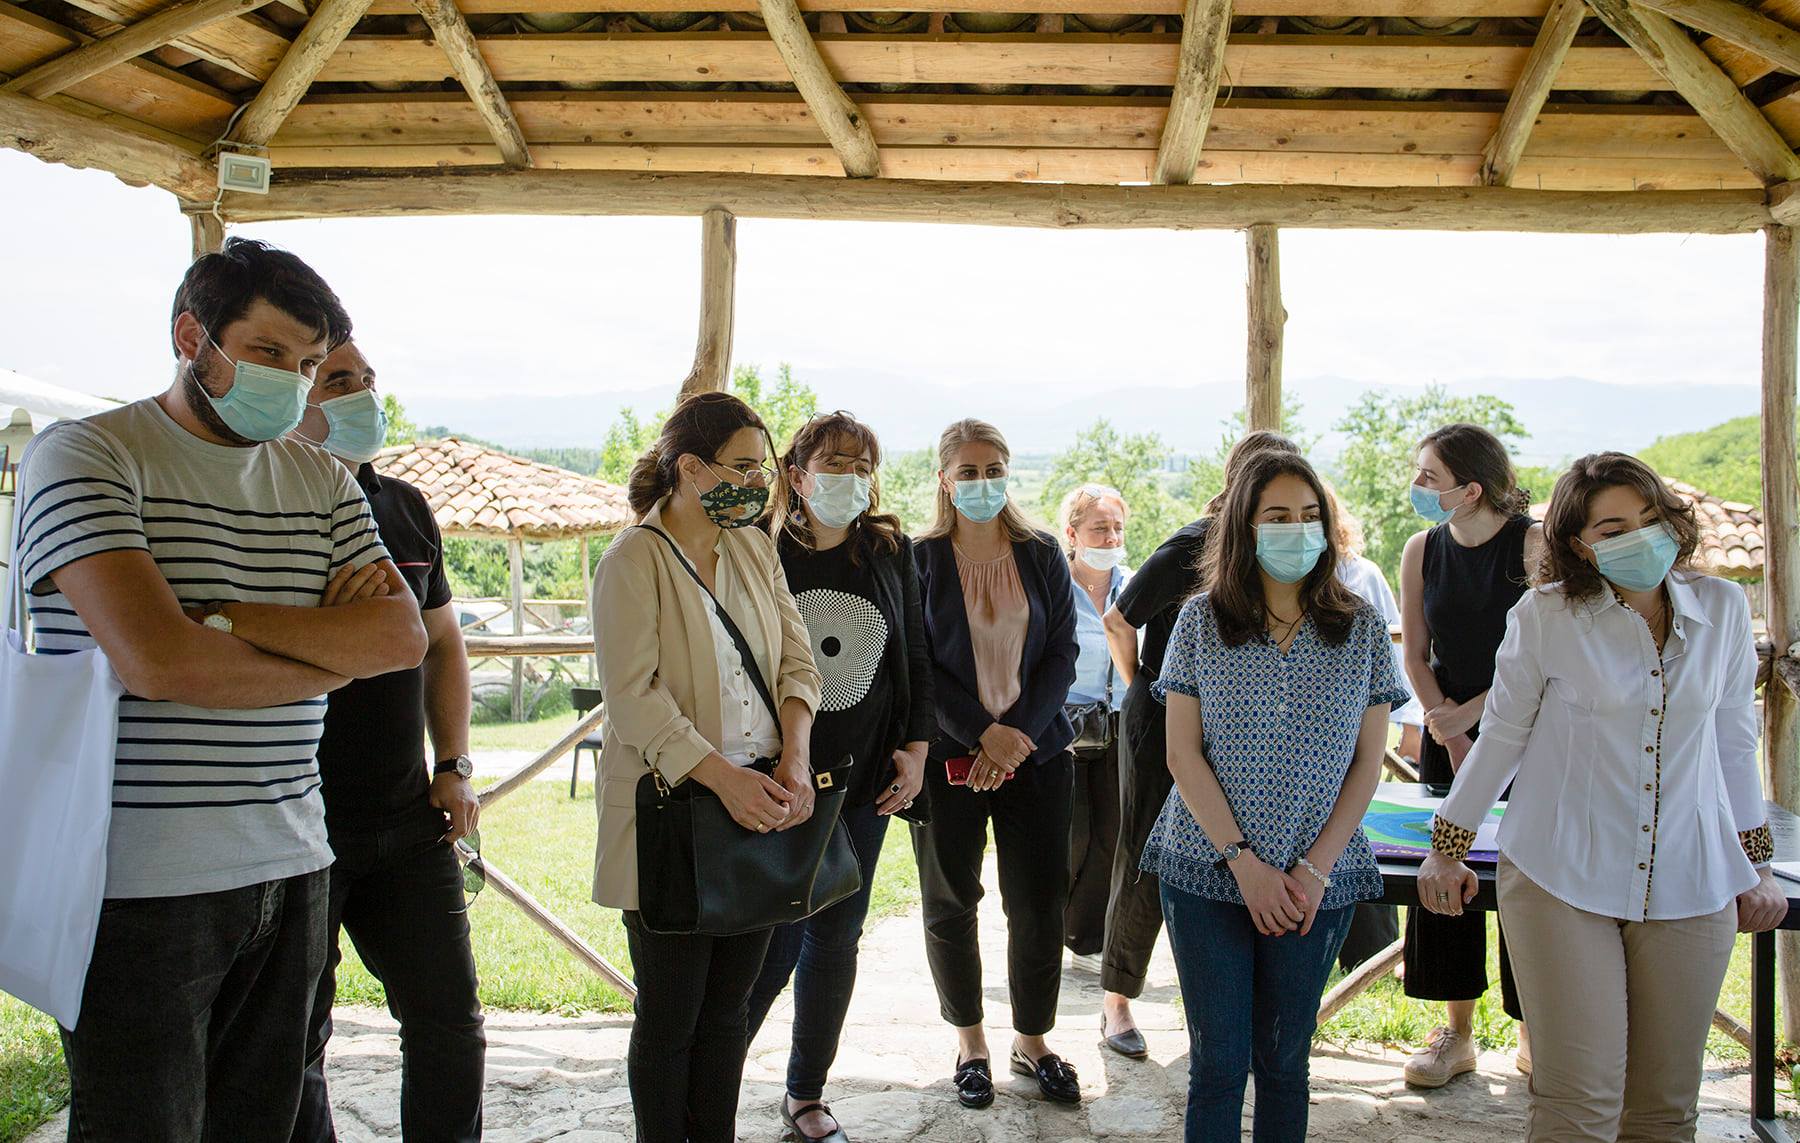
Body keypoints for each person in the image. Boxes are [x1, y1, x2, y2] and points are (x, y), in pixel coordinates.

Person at [13, 239, 428, 1140]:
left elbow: (400, 638)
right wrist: (328, 654)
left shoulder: (320, 477)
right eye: (267, 352)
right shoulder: (88, 455)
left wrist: (223, 616)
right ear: (190, 336)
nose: (291, 380)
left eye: (308, 364)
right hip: (136, 881)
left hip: (294, 860)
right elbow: (160, 662)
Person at [1419, 451, 1787, 1142]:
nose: (1639, 538)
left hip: (1691, 876)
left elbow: (1735, 741)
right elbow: (1502, 736)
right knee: (1579, 1103)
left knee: (1664, 1109)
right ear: (1579, 545)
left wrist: (1757, 865)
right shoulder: (1546, 615)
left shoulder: (1723, 608)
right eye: (1614, 529)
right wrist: (1448, 847)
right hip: (1561, 874)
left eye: (1650, 519)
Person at [1147, 449, 1407, 1143]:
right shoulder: (1200, 620)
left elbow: (1368, 762)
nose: (1297, 529)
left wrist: (1313, 869)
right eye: (1278, 516)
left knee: (1286, 1064)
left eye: (1309, 515)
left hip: (1316, 878)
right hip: (1206, 868)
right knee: (1218, 1065)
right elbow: (1181, 753)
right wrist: (1243, 863)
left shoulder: (1360, 626)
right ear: (1246, 526)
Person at [590, 391, 822, 1143]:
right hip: (678, 812)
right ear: (690, 469)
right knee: (670, 1016)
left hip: (759, 804)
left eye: (763, 470)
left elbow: (797, 662)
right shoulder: (633, 559)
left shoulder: (754, 548)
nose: (758, 484)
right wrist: (725, 779)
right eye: (742, 467)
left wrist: (795, 759)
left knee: (728, 1012)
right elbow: (634, 698)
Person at [288, 342, 487, 1143]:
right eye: (340, 381)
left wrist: (455, 763)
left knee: (450, 1021)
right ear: (296, 397)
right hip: (297, 824)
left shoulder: (403, 506)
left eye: (368, 381)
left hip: (408, 818)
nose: (364, 396)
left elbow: (441, 643)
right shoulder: (267, 503)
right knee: (295, 1037)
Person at [743, 411, 935, 1143]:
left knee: (836, 938)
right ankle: (708, 1076)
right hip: (778, 780)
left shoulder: (887, 550)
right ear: (796, 475)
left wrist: (916, 748)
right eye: (835, 463)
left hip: (864, 783)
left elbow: (915, 653)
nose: (851, 478)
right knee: (772, 942)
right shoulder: (759, 548)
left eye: (862, 466)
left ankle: (806, 1093)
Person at [1095, 430, 1300, 1057]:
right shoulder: (1193, 545)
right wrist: (1145, 684)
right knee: (1144, 852)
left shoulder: (1278, 552)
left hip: (1237, 724)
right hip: (1163, 716)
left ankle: (1223, 1006)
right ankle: (1117, 1002)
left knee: (1234, 850)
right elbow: (1118, 619)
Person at [912, 418, 1081, 1108]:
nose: (982, 482)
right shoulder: (919, 559)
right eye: (968, 471)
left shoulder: (1041, 552)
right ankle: (971, 1042)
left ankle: (1032, 1040)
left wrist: (1014, 738)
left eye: (993, 470)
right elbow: (917, 664)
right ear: (945, 480)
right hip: (948, 757)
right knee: (951, 899)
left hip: (1036, 756)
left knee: (1038, 901)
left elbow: (1063, 652)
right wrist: (983, 733)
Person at [1398, 423, 1540, 1087]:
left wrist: (1477, 715)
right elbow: (1414, 653)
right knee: (1444, 872)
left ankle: (1535, 1030)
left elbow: (1545, 654)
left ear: (1473, 488)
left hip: (1529, 734)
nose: (1417, 486)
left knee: (1525, 874)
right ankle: (1455, 1033)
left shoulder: (1533, 545)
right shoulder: (1421, 548)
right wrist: (1450, 733)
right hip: (1445, 733)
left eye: (1430, 476)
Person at [1322, 480, 1420, 972]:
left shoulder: (1361, 574)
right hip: (1300, 739)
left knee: (1355, 826)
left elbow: (1394, 656)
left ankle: (1374, 953)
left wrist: (1410, 724)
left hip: (1359, 728)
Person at [1058, 483, 1132, 974]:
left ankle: (1087, 940)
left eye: (1117, 528)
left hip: (1121, 721)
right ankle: (1051, 925)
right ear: (1072, 533)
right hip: (1063, 722)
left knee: (1113, 832)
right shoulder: (1054, 585)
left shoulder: (1136, 583)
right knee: (1070, 833)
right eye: (1100, 528)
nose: (1110, 539)